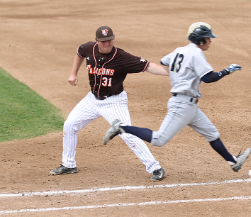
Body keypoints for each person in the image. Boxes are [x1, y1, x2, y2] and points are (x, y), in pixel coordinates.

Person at [103, 22, 251, 173]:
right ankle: (120, 128)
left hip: (190, 106)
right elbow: (208, 78)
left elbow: (164, 61)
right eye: (208, 38)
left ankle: (233, 162)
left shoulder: (179, 50)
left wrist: (181, 75)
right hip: (182, 105)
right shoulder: (196, 54)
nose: (210, 41)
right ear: (200, 40)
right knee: (158, 139)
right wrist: (227, 71)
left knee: (212, 133)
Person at [50, 25, 168, 181]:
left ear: (113, 39)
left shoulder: (122, 57)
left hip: (114, 103)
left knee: (127, 133)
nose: (107, 44)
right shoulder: (89, 48)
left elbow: (149, 66)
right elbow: (79, 52)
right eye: (103, 41)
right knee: (70, 124)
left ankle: (156, 168)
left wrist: (170, 74)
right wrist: (73, 74)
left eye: (109, 40)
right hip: (92, 100)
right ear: (97, 41)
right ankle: (69, 165)